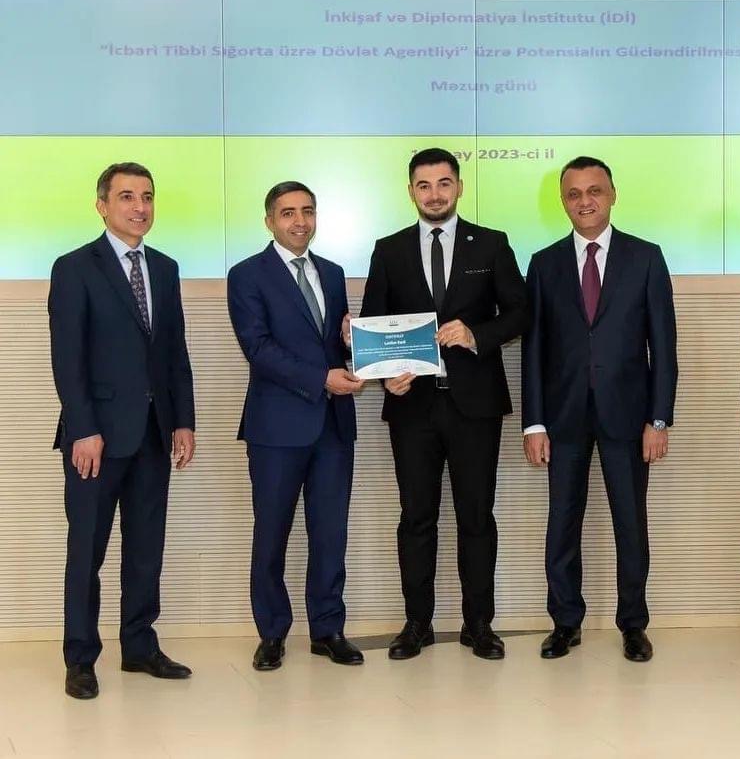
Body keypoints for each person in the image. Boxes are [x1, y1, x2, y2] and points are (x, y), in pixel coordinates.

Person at [360, 148, 527, 660]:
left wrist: (476, 334)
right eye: (424, 185)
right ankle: (417, 624)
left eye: (443, 183)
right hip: (412, 409)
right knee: (416, 518)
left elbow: (520, 313)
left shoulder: (492, 243)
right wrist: (385, 377)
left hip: (475, 406)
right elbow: (374, 325)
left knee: (476, 516)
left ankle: (479, 624)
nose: (434, 194)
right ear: (411, 190)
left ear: (459, 186)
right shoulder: (388, 250)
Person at [48, 162, 196, 700]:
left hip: (154, 434)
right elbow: (68, 357)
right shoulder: (74, 267)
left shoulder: (166, 267)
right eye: (127, 196)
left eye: (147, 196)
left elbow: (174, 351)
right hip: (97, 438)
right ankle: (80, 658)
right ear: (102, 205)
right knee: (87, 551)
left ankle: (139, 646)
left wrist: (183, 420)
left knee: (145, 549)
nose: (140, 207)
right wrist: (83, 428)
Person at [522, 156, 677, 661]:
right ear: (563, 201)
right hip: (563, 417)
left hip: (628, 417)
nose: (584, 201)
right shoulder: (543, 264)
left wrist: (659, 418)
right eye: (574, 194)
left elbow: (664, 347)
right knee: (562, 522)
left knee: (630, 523)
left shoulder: (646, 257)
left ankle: (633, 624)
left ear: (612, 195)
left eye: (594, 191)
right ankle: (565, 622)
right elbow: (534, 349)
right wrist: (534, 422)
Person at [227, 181, 365, 669]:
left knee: (330, 534)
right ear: (270, 221)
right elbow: (258, 348)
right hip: (276, 428)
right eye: (288, 213)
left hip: (332, 427)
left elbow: (330, 344)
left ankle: (328, 630)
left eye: (307, 211)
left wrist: (350, 342)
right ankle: (272, 633)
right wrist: (322, 378)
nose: (299, 221)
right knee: (272, 534)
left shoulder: (333, 272)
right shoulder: (247, 275)